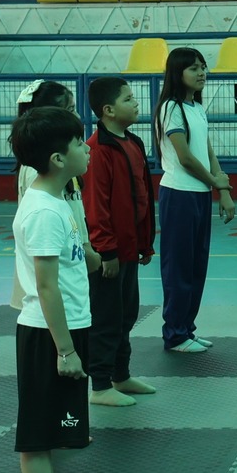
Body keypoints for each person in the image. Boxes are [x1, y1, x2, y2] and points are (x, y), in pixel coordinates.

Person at [11, 104, 102, 473]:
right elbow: (46, 288)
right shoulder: (45, 212)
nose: (87, 148)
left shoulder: (56, 201)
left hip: (63, 327)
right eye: (77, 142)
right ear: (58, 159)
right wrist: (65, 350)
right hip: (47, 334)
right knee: (37, 432)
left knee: (53, 427)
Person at [83, 75, 159, 409]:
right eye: (129, 99)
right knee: (106, 318)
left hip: (130, 248)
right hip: (110, 253)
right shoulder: (97, 151)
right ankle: (99, 384)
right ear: (108, 110)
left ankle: (120, 374)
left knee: (127, 315)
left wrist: (145, 243)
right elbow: (96, 207)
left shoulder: (134, 143)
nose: (136, 103)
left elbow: (142, 197)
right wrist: (107, 250)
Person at [154, 47, 235, 354]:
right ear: (177, 73)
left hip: (200, 194)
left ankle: (187, 328)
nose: (201, 73)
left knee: (196, 266)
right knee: (178, 267)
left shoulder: (196, 108)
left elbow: (208, 152)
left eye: (203, 67)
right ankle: (174, 334)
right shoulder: (171, 108)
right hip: (179, 195)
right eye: (193, 69)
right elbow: (185, 158)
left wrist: (222, 190)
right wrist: (214, 182)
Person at [9, 80, 79, 314]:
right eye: (70, 110)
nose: (77, 116)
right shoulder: (36, 170)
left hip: (68, 260)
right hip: (52, 268)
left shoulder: (65, 162)